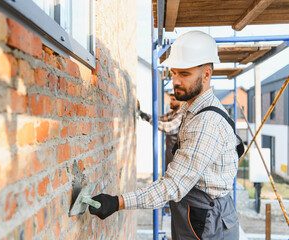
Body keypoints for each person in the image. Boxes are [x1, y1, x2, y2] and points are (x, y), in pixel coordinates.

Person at [89, 30, 240, 239]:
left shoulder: (207, 123)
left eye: (184, 74)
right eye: (174, 73)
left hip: (207, 220)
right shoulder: (191, 107)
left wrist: (117, 202)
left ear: (206, 74)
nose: (176, 81)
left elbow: (172, 186)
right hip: (196, 210)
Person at [139, 92, 183, 169]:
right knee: (167, 170)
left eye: (173, 99)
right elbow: (159, 119)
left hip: (177, 153)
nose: (170, 101)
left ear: (181, 102)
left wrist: (149, 120)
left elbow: (168, 127)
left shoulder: (181, 115)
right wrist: (143, 114)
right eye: (170, 99)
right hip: (169, 150)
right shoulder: (171, 113)